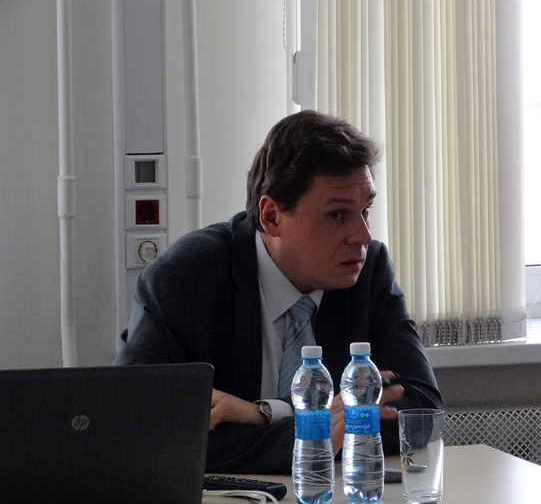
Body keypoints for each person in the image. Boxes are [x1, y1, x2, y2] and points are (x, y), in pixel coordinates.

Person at [115, 110, 442, 474]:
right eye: (337, 215)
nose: (363, 236)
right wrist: (319, 432)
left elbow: (418, 411)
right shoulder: (186, 277)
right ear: (271, 216)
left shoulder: (368, 271)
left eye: (366, 210)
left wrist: (264, 413)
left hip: (337, 498)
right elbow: (141, 428)